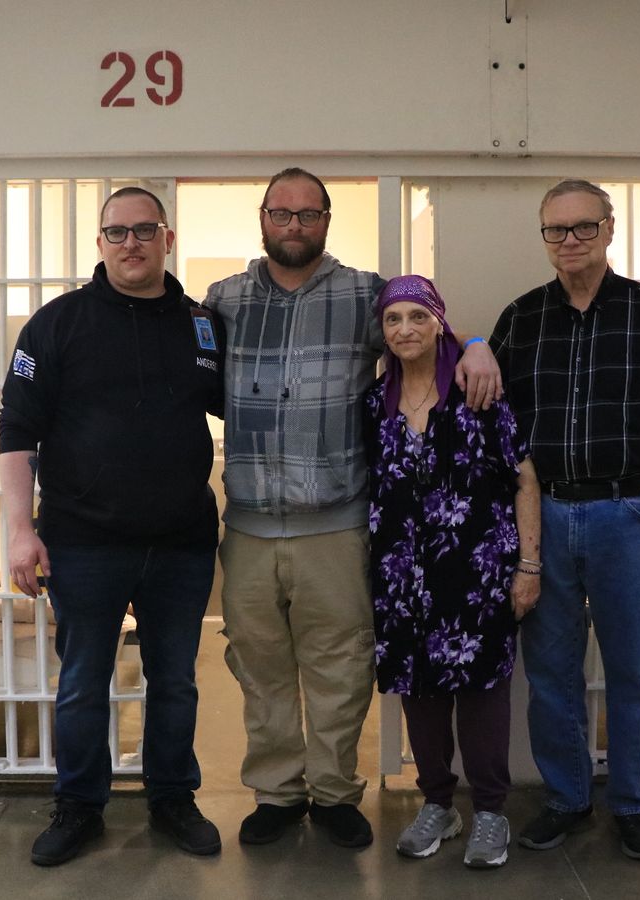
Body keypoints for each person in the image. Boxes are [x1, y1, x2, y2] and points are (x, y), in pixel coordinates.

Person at [204, 168, 502, 849]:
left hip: (335, 523)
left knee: (339, 666)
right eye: (282, 213)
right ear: (263, 217)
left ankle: (335, 793)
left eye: (308, 214)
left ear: (326, 220)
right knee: (259, 665)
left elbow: (423, 330)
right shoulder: (223, 301)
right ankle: (278, 793)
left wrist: (477, 344)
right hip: (248, 524)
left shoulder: (365, 295)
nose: (294, 226)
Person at [0, 187, 225, 865]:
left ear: (167, 239)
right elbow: (17, 432)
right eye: (118, 232)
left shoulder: (201, 325)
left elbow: (244, 405)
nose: (132, 243)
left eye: (145, 230)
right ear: (100, 243)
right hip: (83, 542)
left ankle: (172, 798)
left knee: (175, 681)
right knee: (82, 683)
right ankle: (79, 806)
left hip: (181, 543)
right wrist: (20, 530)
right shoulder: (56, 324)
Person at [490, 179, 640, 861]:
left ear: (609, 230)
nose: (570, 240)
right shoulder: (521, 319)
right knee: (550, 673)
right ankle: (567, 798)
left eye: (584, 226)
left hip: (629, 513)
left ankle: (634, 804)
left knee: (630, 672)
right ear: (544, 237)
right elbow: (492, 418)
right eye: (556, 230)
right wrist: (468, 344)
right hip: (544, 517)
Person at [365, 275, 541, 869]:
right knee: (419, 694)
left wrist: (528, 565)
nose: (405, 329)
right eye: (393, 319)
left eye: (418, 316)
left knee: (483, 692)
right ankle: (438, 803)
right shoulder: (375, 403)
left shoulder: (476, 390)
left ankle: (490, 811)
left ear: (440, 322)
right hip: (402, 578)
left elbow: (524, 480)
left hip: (479, 572)